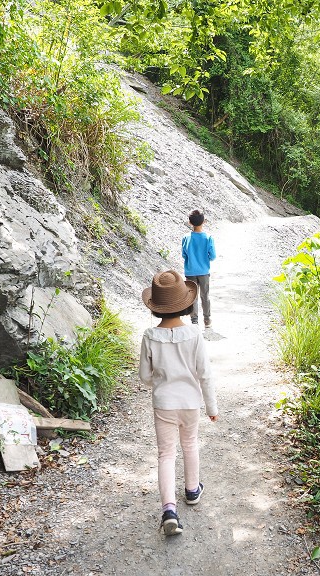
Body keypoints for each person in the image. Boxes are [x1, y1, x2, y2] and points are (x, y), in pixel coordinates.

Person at [139, 270, 219, 536]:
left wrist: (160, 383)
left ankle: (169, 510)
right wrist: (212, 408)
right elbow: (204, 374)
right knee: (190, 444)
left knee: (165, 454)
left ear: (156, 308)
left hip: (163, 403)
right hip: (190, 402)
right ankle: (192, 490)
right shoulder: (195, 335)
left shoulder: (150, 336)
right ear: (185, 304)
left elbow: (144, 376)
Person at [182, 209, 216, 328]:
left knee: (192, 296)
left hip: (190, 271)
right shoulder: (208, 237)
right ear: (203, 222)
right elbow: (213, 256)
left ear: (190, 222)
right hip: (204, 272)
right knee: (205, 295)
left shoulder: (186, 237)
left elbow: (184, 255)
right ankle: (207, 320)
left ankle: (194, 321)